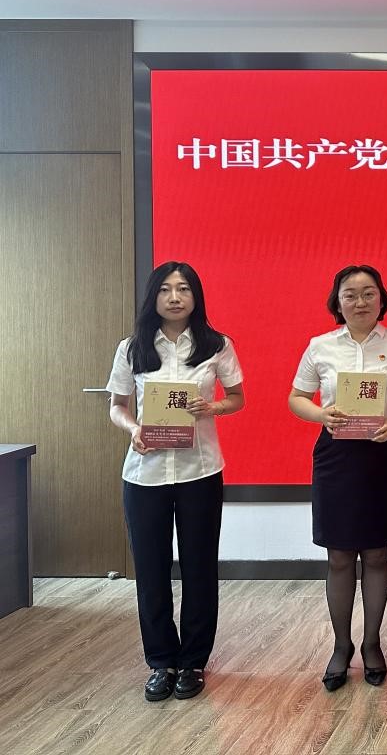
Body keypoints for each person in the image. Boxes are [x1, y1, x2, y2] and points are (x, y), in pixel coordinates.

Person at [107, 262, 245, 702]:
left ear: (195, 296)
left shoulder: (216, 345)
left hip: (199, 471)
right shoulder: (132, 348)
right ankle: (161, 661)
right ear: (154, 297)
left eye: (183, 288)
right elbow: (117, 405)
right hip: (144, 474)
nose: (174, 297)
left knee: (200, 568)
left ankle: (193, 662)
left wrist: (213, 408)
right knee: (151, 572)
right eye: (165, 289)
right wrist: (133, 429)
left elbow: (237, 398)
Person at [288, 265, 387, 691]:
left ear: (382, 299)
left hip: (382, 453)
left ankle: (371, 643)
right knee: (339, 555)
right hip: (336, 456)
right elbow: (296, 398)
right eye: (350, 294)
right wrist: (321, 413)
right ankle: (340, 645)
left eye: (369, 293)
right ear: (338, 302)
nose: (360, 301)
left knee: (377, 553)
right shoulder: (320, 346)